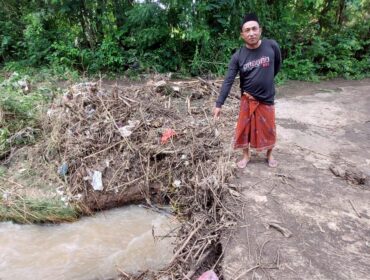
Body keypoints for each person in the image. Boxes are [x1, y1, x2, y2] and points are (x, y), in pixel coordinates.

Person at [213, 13, 281, 169]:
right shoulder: (238, 56)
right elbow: (229, 80)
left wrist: (267, 80)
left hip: (267, 98)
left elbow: (277, 66)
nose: (251, 33)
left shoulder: (272, 46)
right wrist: (219, 104)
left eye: (254, 29)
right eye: (247, 30)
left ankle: (269, 155)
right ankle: (246, 155)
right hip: (247, 99)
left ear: (260, 30)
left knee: (270, 129)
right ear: (242, 35)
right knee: (244, 129)